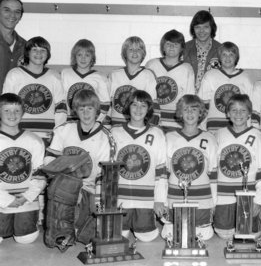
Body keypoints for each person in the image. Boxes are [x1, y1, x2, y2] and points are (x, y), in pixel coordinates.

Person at [45, 89, 110, 244]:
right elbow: (49, 162)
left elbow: (104, 173)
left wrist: (98, 199)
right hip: (64, 186)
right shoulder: (63, 130)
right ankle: (61, 231)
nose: (86, 113)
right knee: (63, 190)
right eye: (81, 109)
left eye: (90, 109)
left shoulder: (106, 136)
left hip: (91, 187)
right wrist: (67, 183)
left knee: (92, 237)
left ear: (97, 111)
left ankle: (78, 226)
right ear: (75, 111)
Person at [157, 94, 218, 241]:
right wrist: (162, 200)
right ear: (180, 113)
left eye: (194, 109)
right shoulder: (169, 137)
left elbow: (214, 174)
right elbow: (163, 174)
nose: (190, 113)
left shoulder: (209, 138)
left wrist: (214, 203)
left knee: (204, 236)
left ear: (201, 113)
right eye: (186, 109)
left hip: (202, 198)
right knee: (170, 236)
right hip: (174, 197)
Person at [111, 90, 167, 242]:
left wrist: (159, 200)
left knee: (147, 237)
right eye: (134, 104)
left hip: (145, 198)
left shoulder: (157, 133)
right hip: (120, 198)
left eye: (143, 105)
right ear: (128, 107)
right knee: (117, 237)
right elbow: (108, 170)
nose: (138, 109)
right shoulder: (114, 132)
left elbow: (161, 170)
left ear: (149, 109)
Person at [214, 94, 261, 239]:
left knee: (250, 235)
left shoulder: (257, 136)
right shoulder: (219, 134)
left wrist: (258, 201)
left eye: (243, 110)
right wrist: (213, 200)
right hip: (224, 196)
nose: (238, 114)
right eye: (234, 110)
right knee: (224, 234)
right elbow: (213, 169)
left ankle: (260, 211)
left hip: (248, 195)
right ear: (227, 113)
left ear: (249, 114)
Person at [2, 36, 67, 145]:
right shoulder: (14, 74)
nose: (39, 53)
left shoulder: (54, 76)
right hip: (19, 133)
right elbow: (5, 106)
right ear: (27, 53)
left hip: (47, 135)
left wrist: (58, 133)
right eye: (34, 50)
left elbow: (61, 109)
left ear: (48, 55)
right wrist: (8, 130)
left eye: (43, 50)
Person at [0, 93, 45, 244]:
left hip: (25, 200)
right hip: (1, 200)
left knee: (26, 239)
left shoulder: (34, 140)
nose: (12, 114)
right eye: (6, 110)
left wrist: (27, 196)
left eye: (17, 110)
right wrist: (5, 200)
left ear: (23, 113)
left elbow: (40, 174)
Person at [198, 42, 254, 133]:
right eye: (224, 54)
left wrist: (248, 127)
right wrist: (201, 128)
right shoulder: (210, 76)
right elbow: (203, 104)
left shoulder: (245, 77)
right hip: (214, 127)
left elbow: (250, 106)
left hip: (238, 126)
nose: (227, 58)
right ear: (219, 57)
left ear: (236, 57)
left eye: (231, 54)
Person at [145, 29, 195, 132]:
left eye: (176, 44)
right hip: (152, 122)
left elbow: (189, 98)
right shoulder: (152, 65)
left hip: (176, 124)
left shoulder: (187, 68)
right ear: (163, 46)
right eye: (168, 44)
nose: (172, 47)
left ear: (182, 48)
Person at [109, 36, 159, 125]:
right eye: (131, 49)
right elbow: (108, 104)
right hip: (116, 125)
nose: (135, 52)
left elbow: (153, 106)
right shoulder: (114, 75)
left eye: (139, 49)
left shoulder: (148, 75)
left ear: (143, 54)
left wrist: (150, 127)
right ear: (125, 53)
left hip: (138, 126)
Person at [61, 39, 110, 123]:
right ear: (74, 56)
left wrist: (97, 121)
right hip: (69, 121)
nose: (83, 58)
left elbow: (105, 104)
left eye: (87, 55)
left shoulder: (100, 77)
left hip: (91, 122)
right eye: (79, 55)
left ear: (92, 57)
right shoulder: (66, 73)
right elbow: (61, 101)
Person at [183, 10, 221, 93]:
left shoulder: (221, 50)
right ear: (193, 29)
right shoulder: (184, 48)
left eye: (206, 27)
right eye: (198, 27)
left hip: (211, 96)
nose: (201, 31)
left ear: (212, 28)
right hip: (188, 97)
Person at [0, 0, 25, 91]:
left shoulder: (25, 45)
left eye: (17, 12)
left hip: (13, 103)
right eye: (7, 10)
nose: (12, 15)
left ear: (20, 17)